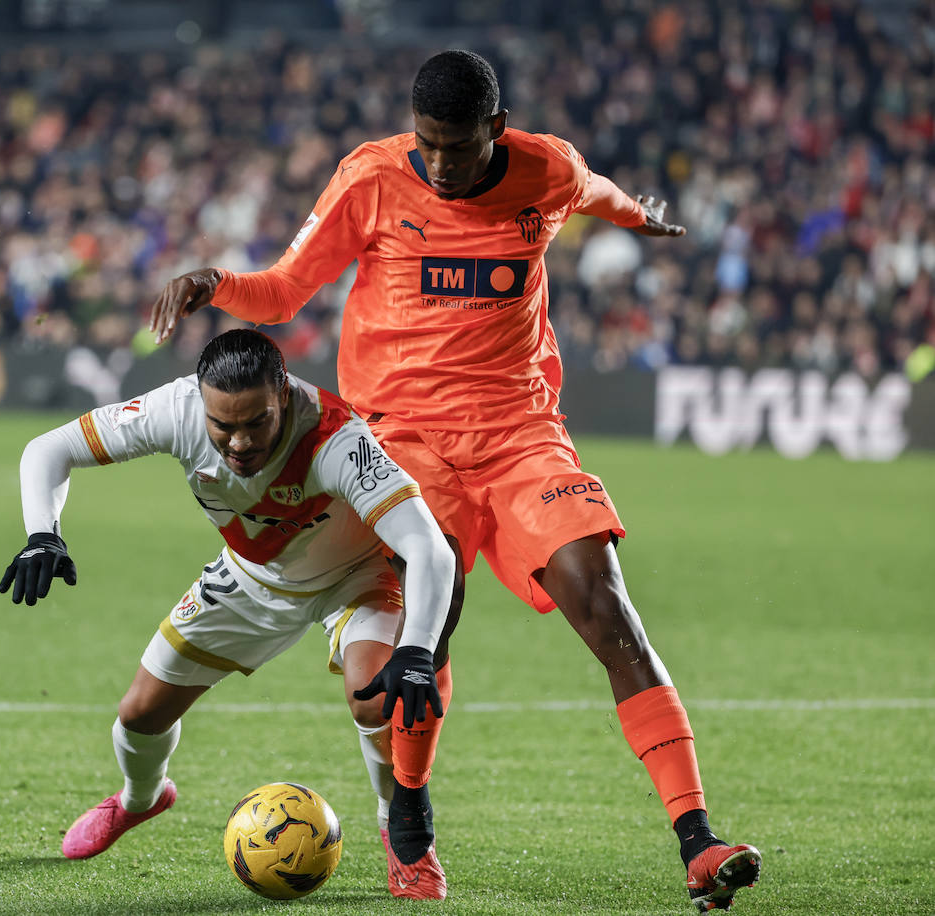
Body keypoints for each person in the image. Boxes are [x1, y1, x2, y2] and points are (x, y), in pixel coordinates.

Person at [148, 50, 762, 913]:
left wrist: (641, 219)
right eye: (427, 144)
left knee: (606, 602)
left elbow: (600, 193)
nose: (439, 164)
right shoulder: (370, 178)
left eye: (457, 146)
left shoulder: (546, 170)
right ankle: (410, 817)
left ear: (496, 130)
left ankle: (698, 840)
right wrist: (218, 284)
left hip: (520, 436)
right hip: (402, 441)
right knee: (429, 628)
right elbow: (285, 289)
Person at [0, 329, 456, 899]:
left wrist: (415, 649)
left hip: (358, 577)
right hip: (250, 574)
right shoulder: (175, 409)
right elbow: (47, 449)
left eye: (255, 423)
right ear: (200, 401)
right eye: (224, 426)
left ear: (283, 396)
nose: (238, 442)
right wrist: (44, 535)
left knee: (375, 692)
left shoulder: (337, 438)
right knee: (140, 714)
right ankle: (141, 800)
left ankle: (402, 836)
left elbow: (428, 546)